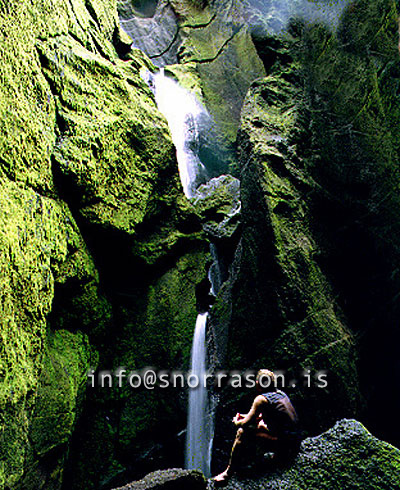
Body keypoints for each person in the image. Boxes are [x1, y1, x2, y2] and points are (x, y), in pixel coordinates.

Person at [213, 369, 299, 485]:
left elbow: (245, 424)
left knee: (242, 432)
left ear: (258, 383)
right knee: (261, 424)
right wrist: (246, 416)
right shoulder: (279, 394)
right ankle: (259, 458)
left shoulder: (261, 399)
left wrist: (236, 422)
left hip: (286, 446)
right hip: (295, 442)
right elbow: (259, 416)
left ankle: (228, 472)